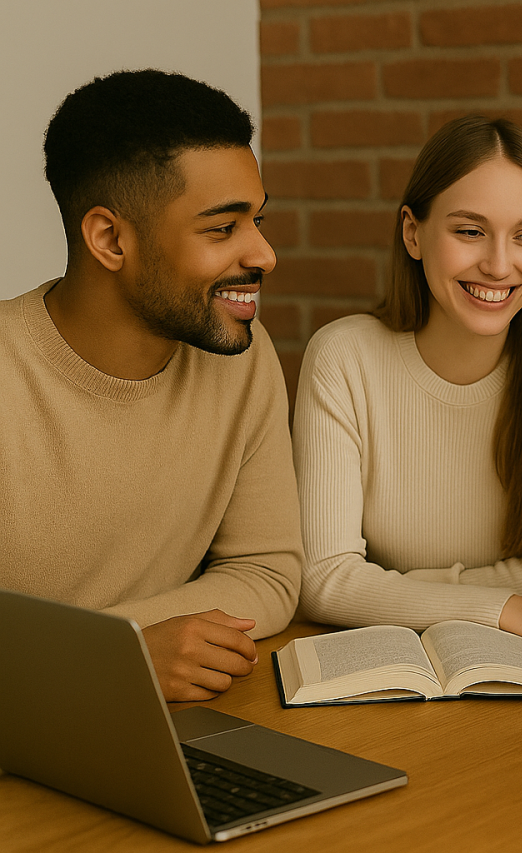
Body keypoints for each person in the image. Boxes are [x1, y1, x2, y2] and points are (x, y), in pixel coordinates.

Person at [0, 70, 301, 701]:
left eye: (257, 220)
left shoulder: (241, 356)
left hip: (144, 729)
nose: (265, 254)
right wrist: (119, 659)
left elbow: (267, 571)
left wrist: (122, 648)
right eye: (223, 228)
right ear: (110, 238)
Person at [293, 116, 522, 662]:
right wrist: (507, 608)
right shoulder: (343, 355)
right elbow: (322, 581)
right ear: (413, 232)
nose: (499, 265)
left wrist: (392, 589)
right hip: (388, 671)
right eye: (470, 231)